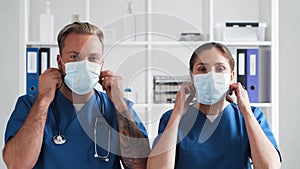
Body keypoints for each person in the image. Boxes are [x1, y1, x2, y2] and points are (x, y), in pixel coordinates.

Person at [3, 22, 150, 169]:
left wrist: (120, 103)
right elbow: (17, 164)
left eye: (93, 58)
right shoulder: (30, 106)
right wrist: (43, 100)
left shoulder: (117, 108)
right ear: (60, 63)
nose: (84, 66)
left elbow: (140, 166)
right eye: (74, 57)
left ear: (101, 64)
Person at [147, 42, 282, 169]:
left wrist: (246, 112)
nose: (211, 76)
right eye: (202, 69)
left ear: (231, 76)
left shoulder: (251, 116)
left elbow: (270, 166)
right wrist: (177, 114)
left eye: (220, 68)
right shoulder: (172, 118)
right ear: (192, 77)